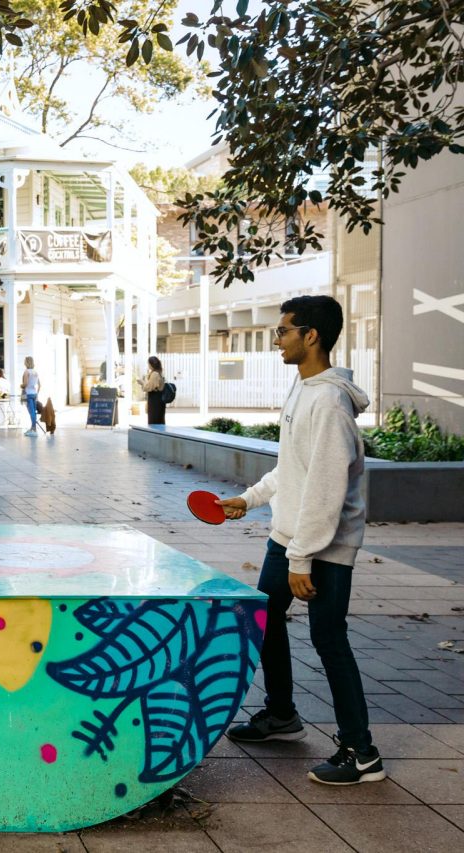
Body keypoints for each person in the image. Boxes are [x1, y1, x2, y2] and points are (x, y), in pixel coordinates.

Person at [216, 295, 383, 786]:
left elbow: (325, 491)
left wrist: (302, 558)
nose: (277, 339)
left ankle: (363, 752)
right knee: (266, 619)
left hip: (321, 547)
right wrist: (248, 500)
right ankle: (282, 714)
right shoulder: (303, 389)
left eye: (284, 330)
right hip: (288, 538)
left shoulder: (330, 403)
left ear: (311, 336)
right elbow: (292, 470)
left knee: (329, 640)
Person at [142, 356, 167, 425]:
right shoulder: (159, 372)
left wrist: (142, 383)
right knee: (159, 420)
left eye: (148, 364)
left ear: (151, 364)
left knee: (154, 422)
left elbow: (148, 388)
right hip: (159, 401)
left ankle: (155, 435)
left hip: (155, 402)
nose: (148, 365)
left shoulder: (154, 374)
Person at [21, 356, 42, 436]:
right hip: (34, 393)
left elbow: (25, 384)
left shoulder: (26, 372)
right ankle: (33, 428)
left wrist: (21, 386)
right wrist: (37, 393)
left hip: (27, 393)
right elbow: (40, 385)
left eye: (25, 361)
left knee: (31, 412)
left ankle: (33, 430)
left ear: (26, 362)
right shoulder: (35, 372)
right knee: (34, 412)